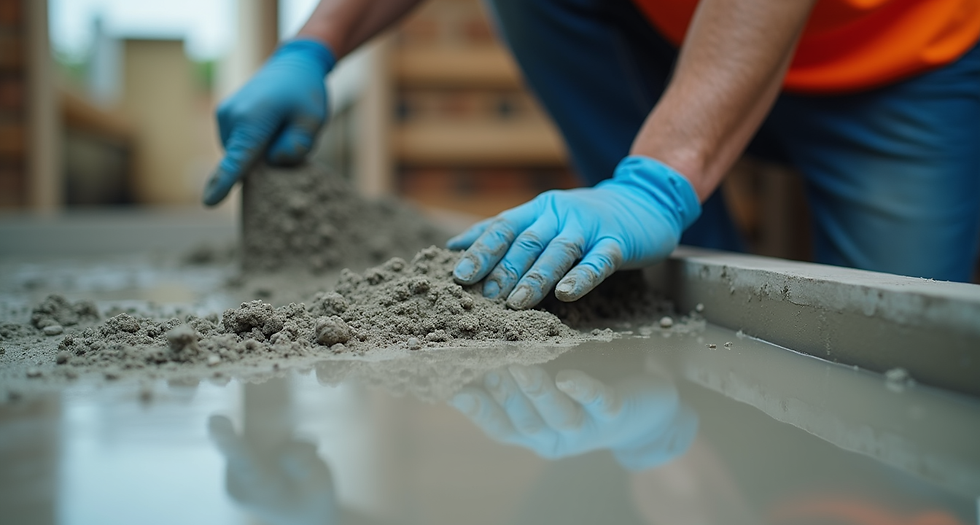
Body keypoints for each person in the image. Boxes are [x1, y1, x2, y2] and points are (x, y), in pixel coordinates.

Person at [203, 0, 980, 309]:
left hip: (900, 53)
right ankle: (677, 280)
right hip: (683, 34)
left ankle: (656, 209)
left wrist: (658, 178)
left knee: (891, 336)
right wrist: (315, 46)